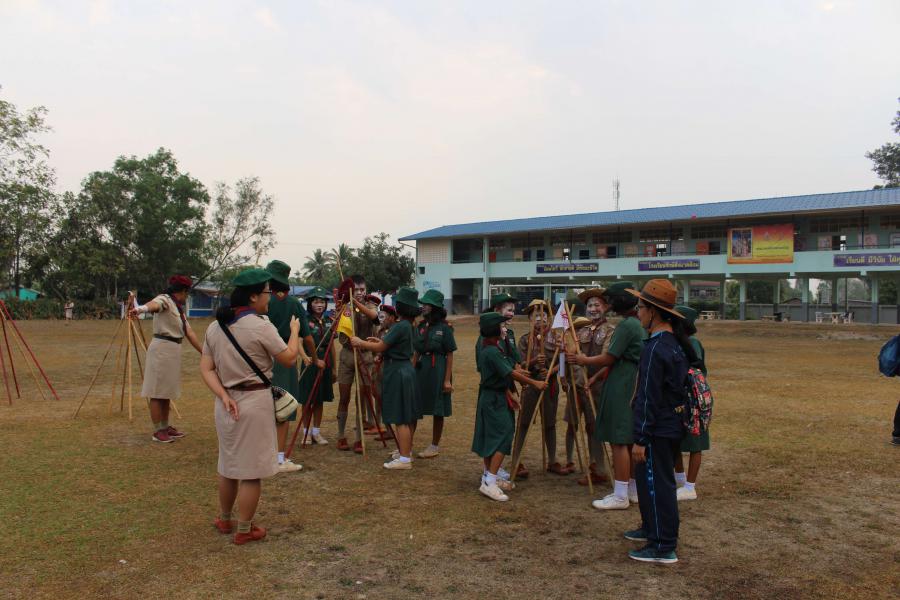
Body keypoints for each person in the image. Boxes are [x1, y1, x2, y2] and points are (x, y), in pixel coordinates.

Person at [200, 268, 301, 545]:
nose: (270, 297)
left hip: (226, 404)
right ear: (254, 296)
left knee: (228, 464)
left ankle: (225, 518)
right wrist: (294, 332)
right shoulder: (260, 326)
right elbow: (289, 358)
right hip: (254, 403)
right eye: (268, 292)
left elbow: (206, 368)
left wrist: (223, 395)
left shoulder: (215, 326)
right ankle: (244, 529)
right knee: (251, 471)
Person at [622, 279, 692, 564]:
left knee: (657, 484)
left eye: (640, 307)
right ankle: (651, 528)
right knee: (650, 480)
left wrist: (641, 438)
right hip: (668, 425)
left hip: (657, 429)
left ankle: (663, 546)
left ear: (653, 312)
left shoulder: (656, 348)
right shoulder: (671, 343)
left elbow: (649, 397)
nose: (637, 312)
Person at [570, 282, 645, 510]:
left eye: (610, 301)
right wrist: (595, 377)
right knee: (627, 438)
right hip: (630, 379)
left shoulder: (626, 326)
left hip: (622, 384)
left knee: (619, 440)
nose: (608, 305)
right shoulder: (636, 323)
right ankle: (632, 489)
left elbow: (609, 358)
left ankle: (620, 494)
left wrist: (583, 360)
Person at [472, 312, 547, 502]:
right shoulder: (491, 351)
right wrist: (535, 383)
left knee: (493, 436)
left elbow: (511, 370)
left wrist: (521, 374)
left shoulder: (495, 348)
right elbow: (510, 374)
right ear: (493, 330)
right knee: (502, 435)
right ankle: (490, 481)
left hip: (498, 395)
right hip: (494, 399)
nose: (505, 330)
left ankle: (489, 476)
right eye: (502, 326)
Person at [350, 287, 421, 470]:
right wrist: (378, 343)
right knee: (407, 416)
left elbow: (381, 347)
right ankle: (405, 452)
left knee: (401, 417)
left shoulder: (401, 326)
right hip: (405, 369)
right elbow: (388, 345)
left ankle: (404, 459)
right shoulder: (409, 325)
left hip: (398, 371)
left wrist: (360, 342)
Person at [131, 275, 203, 443]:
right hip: (161, 349)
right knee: (157, 392)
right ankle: (158, 431)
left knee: (166, 391)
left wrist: (204, 352)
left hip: (173, 350)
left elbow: (189, 332)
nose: (187, 297)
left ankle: (165, 426)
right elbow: (154, 305)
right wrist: (141, 309)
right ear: (183, 291)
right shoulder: (165, 299)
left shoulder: (178, 308)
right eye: (187, 293)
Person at [265, 260, 316, 472]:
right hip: (284, 357)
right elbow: (308, 337)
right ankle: (279, 458)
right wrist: (315, 358)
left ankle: (265, 453)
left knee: (264, 406)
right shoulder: (293, 303)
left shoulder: (262, 300)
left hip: (260, 357)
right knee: (283, 408)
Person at [571, 288, 616, 486]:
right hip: (584, 386)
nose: (593, 309)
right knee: (591, 427)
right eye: (590, 305)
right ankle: (597, 467)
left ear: (605, 307)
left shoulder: (611, 331)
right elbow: (575, 357)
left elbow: (609, 359)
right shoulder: (580, 331)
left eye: (597, 305)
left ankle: (617, 467)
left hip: (603, 385)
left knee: (608, 427)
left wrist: (594, 378)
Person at [511, 300, 561, 478]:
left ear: (549, 318)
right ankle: (517, 462)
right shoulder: (525, 340)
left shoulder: (556, 338)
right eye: (536, 316)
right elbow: (519, 365)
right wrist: (533, 362)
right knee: (523, 423)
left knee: (550, 423)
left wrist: (551, 371)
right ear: (530, 319)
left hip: (550, 385)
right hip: (530, 384)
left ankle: (552, 460)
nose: (540, 318)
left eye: (544, 315)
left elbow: (563, 362)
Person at [336, 274, 380, 453]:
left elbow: (374, 316)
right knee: (344, 397)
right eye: (356, 290)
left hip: (365, 356)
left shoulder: (370, 305)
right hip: (347, 355)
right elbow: (337, 329)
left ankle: (359, 439)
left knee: (361, 398)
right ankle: (340, 436)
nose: (360, 292)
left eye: (363, 289)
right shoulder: (344, 305)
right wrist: (343, 305)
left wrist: (355, 303)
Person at [413, 290, 457, 459]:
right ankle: (407, 444)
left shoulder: (445, 328)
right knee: (414, 406)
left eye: (427, 304)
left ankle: (434, 445)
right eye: (423, 303)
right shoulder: (421, 326)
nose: (423, 306)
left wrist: (447, 380)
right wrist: (411, 370)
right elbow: (417, 351)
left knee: (438, 409)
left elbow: (450, 354)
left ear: (435, 307)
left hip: (438, 369)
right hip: (421, 368)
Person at [673, 305, 709, 501]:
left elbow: (693, 371)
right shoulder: (675, 341)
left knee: (696, 442)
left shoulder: (692, 343)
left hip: (694, 399)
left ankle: (690, 486)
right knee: (675, 440)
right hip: (679, 398)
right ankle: (679, 479)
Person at [298, 287, 334, 445]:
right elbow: (299, 341)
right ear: (310, 304)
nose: (320, 305)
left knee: (319, 399)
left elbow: (331, 346)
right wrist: (304, 357)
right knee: (307, 400)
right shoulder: (304, 320)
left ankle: (316, 433)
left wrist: (333, 368)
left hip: (325, 363)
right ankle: (305, 433)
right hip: (310, 363)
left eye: (322, 302)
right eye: (316, 302)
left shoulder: (329, 321)